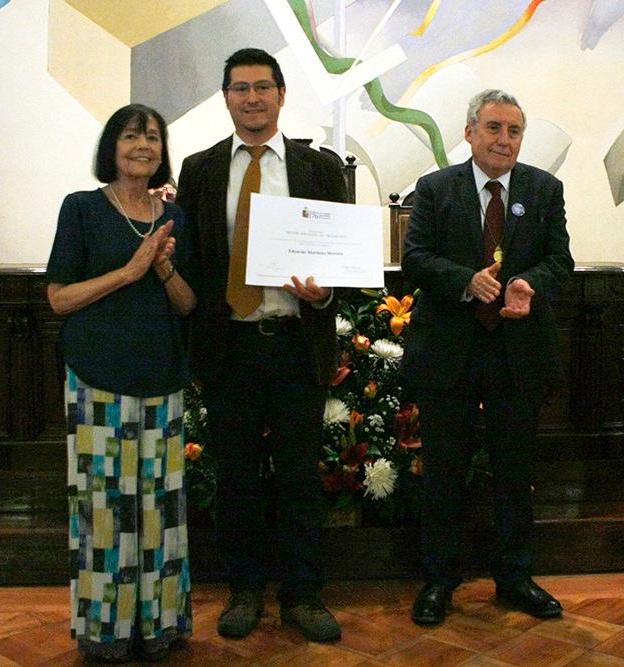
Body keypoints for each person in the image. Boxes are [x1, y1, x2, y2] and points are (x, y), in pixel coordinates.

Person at [175, 48, 348, 643]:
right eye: (240, 88)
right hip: (231, 347)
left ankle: (303, 594)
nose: (252, 98)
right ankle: (244, 590)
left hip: (297, 343)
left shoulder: (319, 168)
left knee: (301, 477)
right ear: (226, 98)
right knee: (237, 478)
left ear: (281, 94)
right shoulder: (198, 171)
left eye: (262, 87)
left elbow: (342, 262)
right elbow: (194, 265)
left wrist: (324, 293)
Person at [401, 89, 574, 626]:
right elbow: (414, 258)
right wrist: (464, 282)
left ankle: (515, 577)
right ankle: (439, 581)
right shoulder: (434, 189)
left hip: (516, 353)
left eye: (514, 131)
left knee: (513, 472)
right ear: (470, 131)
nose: (505, 139)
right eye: (494, 128)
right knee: (445, 474)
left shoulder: (545, 189)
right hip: (449, 353)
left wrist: (527, 283)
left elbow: (560, 259)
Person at [46, 104, 196, 662]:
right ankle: (104, 631)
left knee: (160, 508)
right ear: (112, 147)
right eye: (132, 136)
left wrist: (162, 271)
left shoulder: (176, 217)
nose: (144, 146)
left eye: (153, 137)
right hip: (98, 379)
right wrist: (130, 271)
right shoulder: (82, 209)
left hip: (162, 378)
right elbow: (59, 297)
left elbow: (187, 305)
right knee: (104, 509)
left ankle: (160, 625)